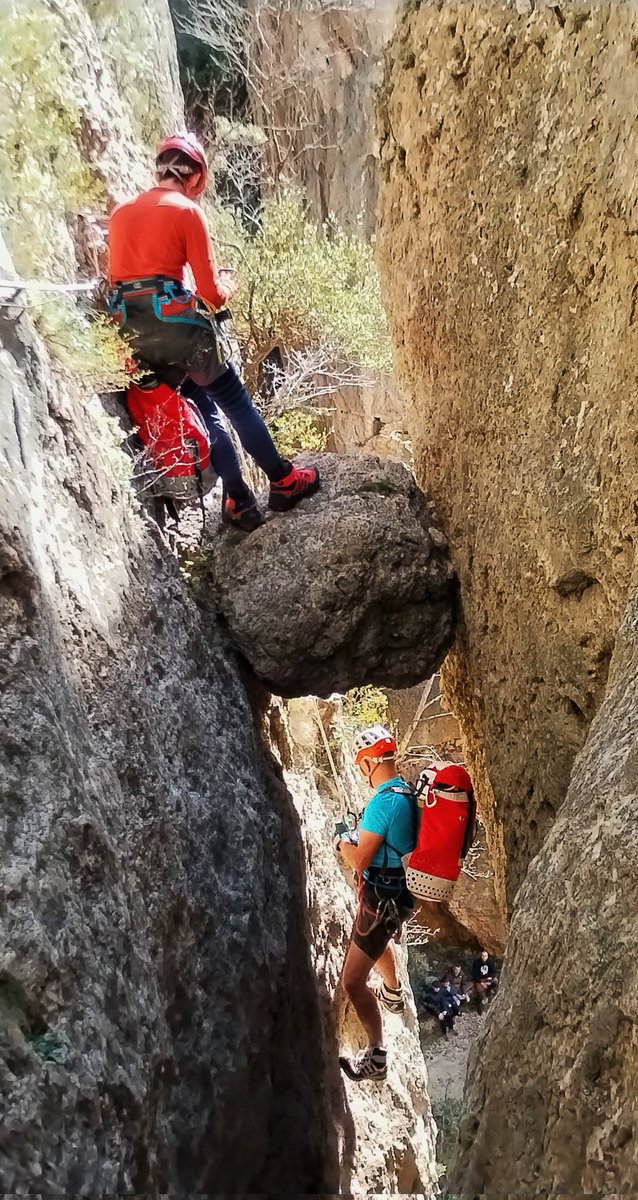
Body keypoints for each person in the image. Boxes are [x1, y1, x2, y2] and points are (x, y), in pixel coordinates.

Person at [108, 131, 320, 530]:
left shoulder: (120, 212)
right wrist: (228, 285)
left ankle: (239, 499)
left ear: (160, 169)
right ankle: (283, 481)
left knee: (201, 405)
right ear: (195, 178)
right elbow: (211, 295)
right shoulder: (187, 212)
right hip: (179, 330)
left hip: (133, 336)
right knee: (230, 401)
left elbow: (118, 278)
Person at [335, 725, 416, 1082]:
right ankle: (394, 991)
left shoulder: (384, 800)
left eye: (360, 764)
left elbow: (360, 860)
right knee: (378, 943)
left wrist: (341, 841)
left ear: (369, 762)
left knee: (352, 981)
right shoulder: (406, 791)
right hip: (398, 892)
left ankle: (377, 1055)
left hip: (380, 897)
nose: (360, 771)